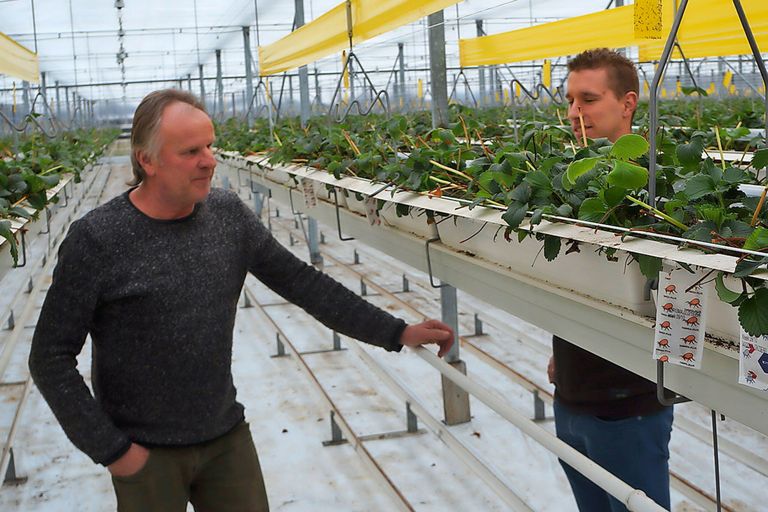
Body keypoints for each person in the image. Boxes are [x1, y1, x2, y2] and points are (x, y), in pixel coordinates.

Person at [28, 89, 455, 512]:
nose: (210, 160)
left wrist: (395, 331)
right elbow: (49, 356)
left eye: (210, 145)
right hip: (144, 454)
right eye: (191, 150)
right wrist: (114, 451)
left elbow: (302, 282)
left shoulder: (227, 216)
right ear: (147, 160)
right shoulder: (99, 240)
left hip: (225, 437)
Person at [549, 48, 674, 512]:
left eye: (588, 99)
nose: (575, 114)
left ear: (627, 103)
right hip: (571, 391)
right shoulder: (568, 182)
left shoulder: (659, 187)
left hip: (630, 402)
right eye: (569, 101)